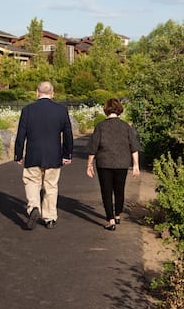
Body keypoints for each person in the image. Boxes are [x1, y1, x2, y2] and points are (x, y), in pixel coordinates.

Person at [14, 81, 73, 229]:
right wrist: (67, 154)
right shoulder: (61, 110)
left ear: (37, 92)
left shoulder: (28, 110)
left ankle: (34, 207)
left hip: (33, 153)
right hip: (54, 154)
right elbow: (67, 134)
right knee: (51, 186)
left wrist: (18, 154)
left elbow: (21, 134)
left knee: (32, 182)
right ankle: (50, 218)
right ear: (52, 93)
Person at [86, 98, 140, 231]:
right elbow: (134, 147)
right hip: (122, 163)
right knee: (119, 190)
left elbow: (93, 147)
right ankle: (117, 214)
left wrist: (89, 164)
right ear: (119, 110)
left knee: (106, 191)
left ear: (106, 110)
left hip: (104, 163)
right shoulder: (126, 126)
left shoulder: (100, 127)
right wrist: (136, 165)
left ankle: (110, 220)